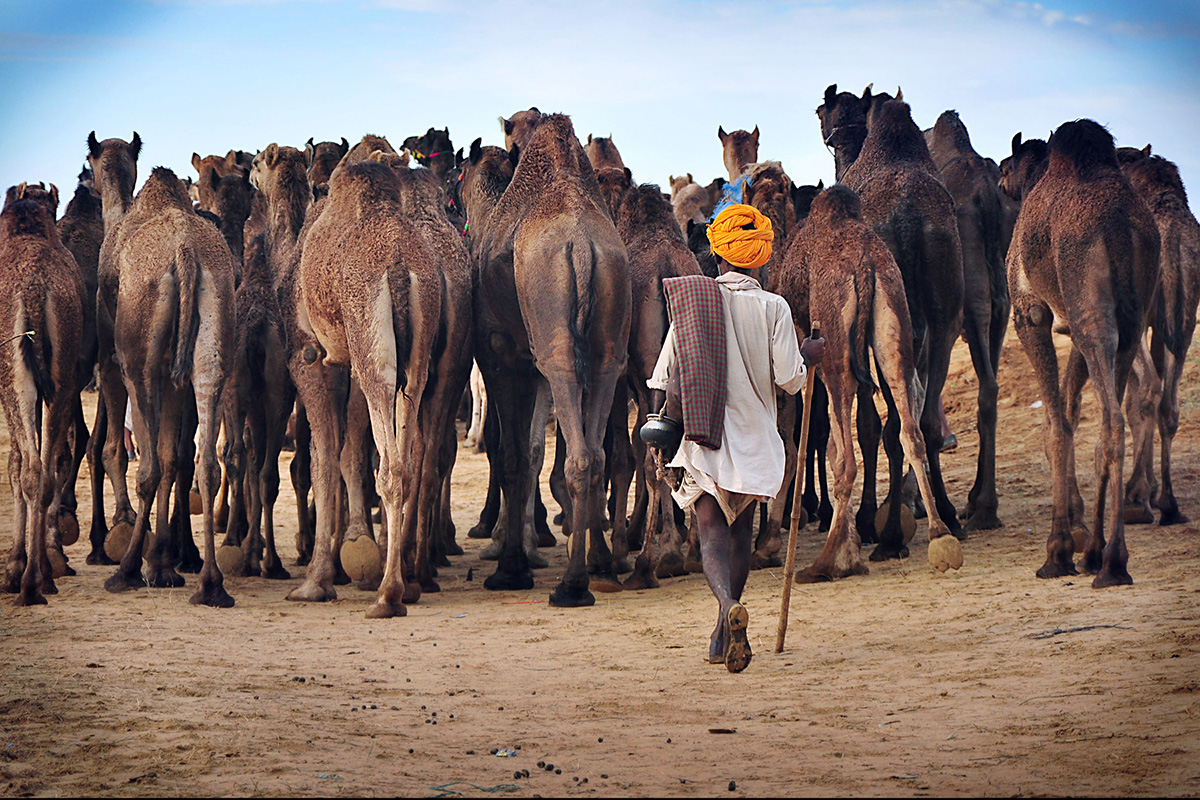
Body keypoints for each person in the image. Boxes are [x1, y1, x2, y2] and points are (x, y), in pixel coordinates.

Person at [645, 203, 824, 673]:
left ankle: (725, 608)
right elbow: (790, 380)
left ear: (717, 255)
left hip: (704, 439)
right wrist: (807, 356)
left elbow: (663, 376)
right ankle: (726, 624)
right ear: (760, 258)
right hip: (755, 441)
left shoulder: (693, 303)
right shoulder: (774, 307)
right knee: (741, 533)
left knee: (709, 534)